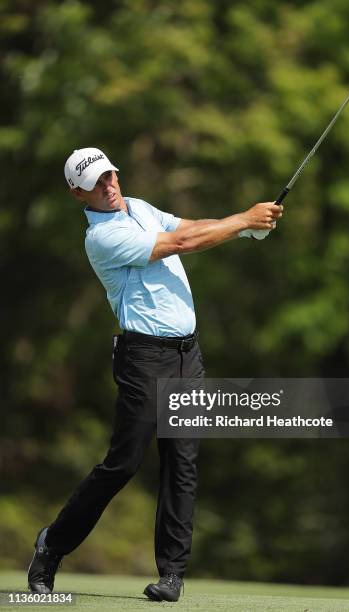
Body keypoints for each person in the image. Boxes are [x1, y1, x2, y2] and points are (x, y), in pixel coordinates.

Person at [27, 147, 283, 602]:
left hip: (188, 355)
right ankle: (53, 544)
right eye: (96, 184)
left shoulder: (141, 208)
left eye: (110, 177)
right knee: (124, 462)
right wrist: (242, 220)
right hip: (144, 357)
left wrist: (246, 227)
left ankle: (172, 575)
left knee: (182, 463)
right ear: (76, 194)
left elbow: (186, 227)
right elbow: (180, 246)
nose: (108, 187)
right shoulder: (102, 238)